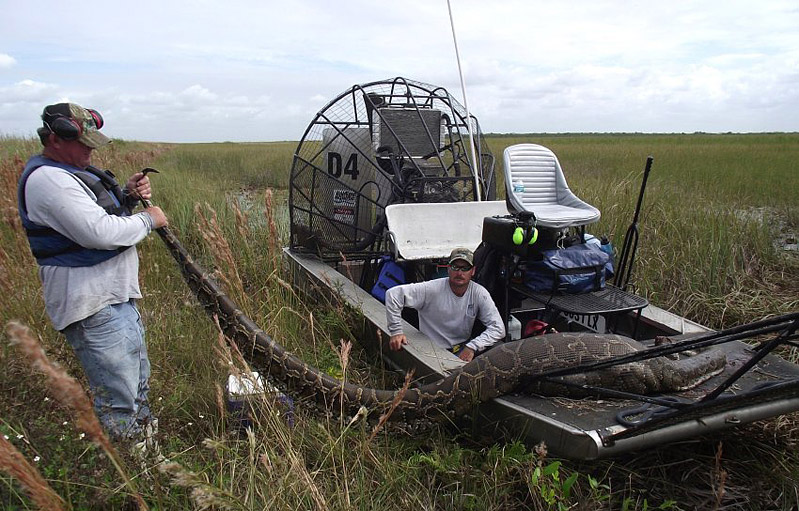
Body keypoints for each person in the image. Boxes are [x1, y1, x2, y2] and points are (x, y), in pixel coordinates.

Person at [17, 103, 168, 443]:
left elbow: (102, 218)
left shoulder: (67, 172)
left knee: (137, 383)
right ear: (55, 138)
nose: (90, 150)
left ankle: (148, 454)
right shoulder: (49, 180)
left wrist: (127, 197)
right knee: (120, 398)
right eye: (83, 144)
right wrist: (148, 220)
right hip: (91, 305)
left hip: (114, 299)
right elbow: (98, 233)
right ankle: (133, 473)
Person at [385, 247, 505, 362]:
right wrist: (396, 332)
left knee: (500, 349)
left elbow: (499, 329)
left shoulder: (479, 293)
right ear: (448, 269)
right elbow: (393, 294)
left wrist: (473, 346)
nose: (459, 272)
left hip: (463, 350)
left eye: (465, 268)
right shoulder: (431, 289)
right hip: (431, 351)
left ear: (473, 271)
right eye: (455, 267)